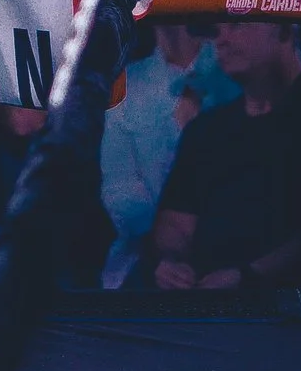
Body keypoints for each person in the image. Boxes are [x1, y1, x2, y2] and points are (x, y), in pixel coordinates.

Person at [150, 19, 301, 304]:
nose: (221, 40)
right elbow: (174, 223)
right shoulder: (206, 131)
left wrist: (249, 275)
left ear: (285, 31)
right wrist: (172, 263)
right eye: (217, 31)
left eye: (237, 26)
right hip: (211, 316)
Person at [98, 17, 236, 287]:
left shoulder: (236, 70)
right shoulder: (127, 86)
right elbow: (120, 197)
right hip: (143, 265)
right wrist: (166, 251)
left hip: (234, 261)